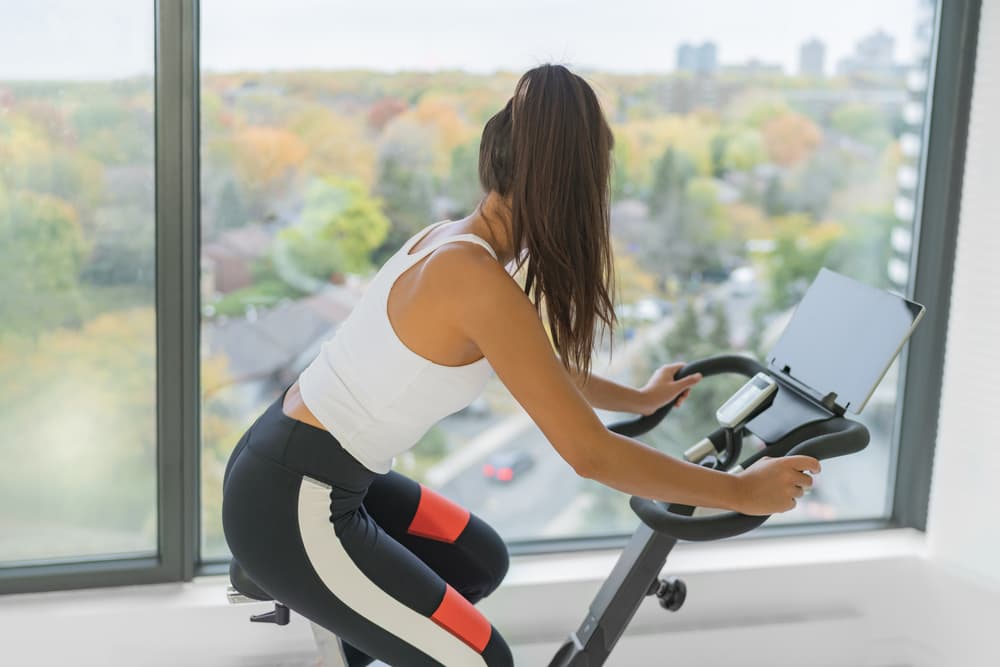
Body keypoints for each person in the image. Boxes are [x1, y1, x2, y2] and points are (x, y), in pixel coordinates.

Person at [221, 63, 820, 667]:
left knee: (477, 562)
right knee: (482, 661)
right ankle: (323, 599)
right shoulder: (473, 278)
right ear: (564, 189)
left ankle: (350, 630)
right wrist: (740, 492)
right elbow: (592, 455)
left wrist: (638, 400)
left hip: (307, 464)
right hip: (295, 496)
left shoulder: (457, 244)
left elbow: (535, 364)